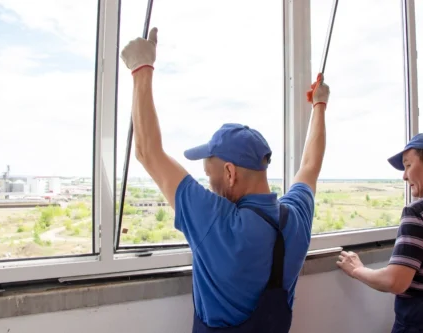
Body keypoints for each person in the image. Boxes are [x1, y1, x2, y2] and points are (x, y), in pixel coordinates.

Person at [120, 27, 330, 332]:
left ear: (230, 173)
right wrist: (320, 105)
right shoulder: (294, 218)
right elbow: (310, 165)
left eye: (209, 174)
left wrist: (141, 68)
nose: (207, 185)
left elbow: (147, 152)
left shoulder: (220, 224)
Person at [336, 133, 423, 333]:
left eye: (408, 165)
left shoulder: (418, 212)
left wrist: (357, 269)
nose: (404, 175)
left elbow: (395, 281)